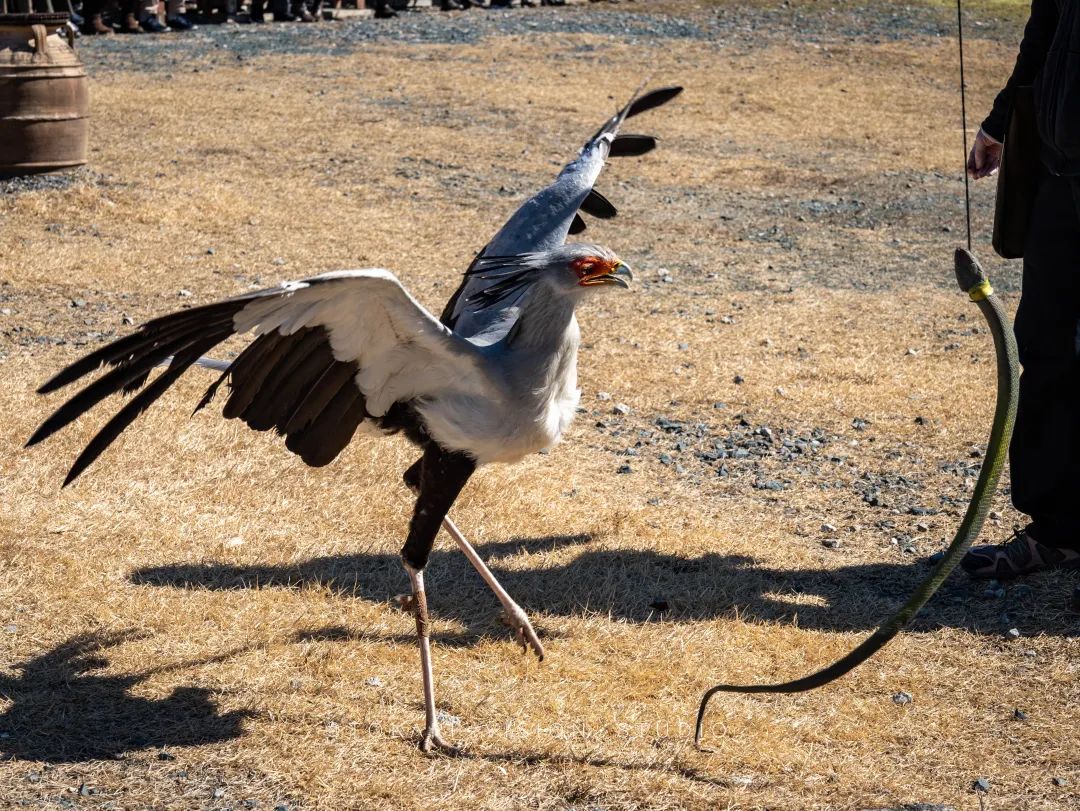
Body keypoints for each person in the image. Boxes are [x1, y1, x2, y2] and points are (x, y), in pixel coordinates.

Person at [962, 0, 1080, 579]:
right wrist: (1001, 120)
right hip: (1063, 174)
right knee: (1047, 349)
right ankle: (1058, 533)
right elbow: (1045, 31)